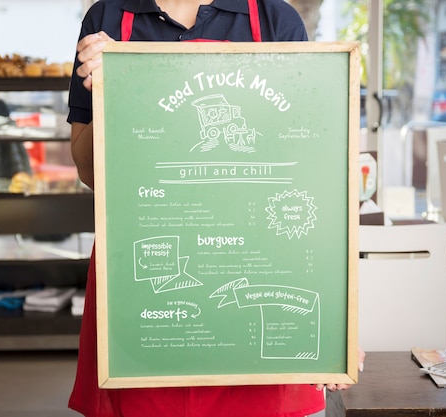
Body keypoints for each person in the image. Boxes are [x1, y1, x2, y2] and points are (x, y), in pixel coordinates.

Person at [67, 1, 365, 416]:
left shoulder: (275, 20)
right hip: (150, 283)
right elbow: (90, 171)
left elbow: (312, 177)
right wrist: (113, 91)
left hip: (259, 276)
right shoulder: (110, 17)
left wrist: (336, 327)